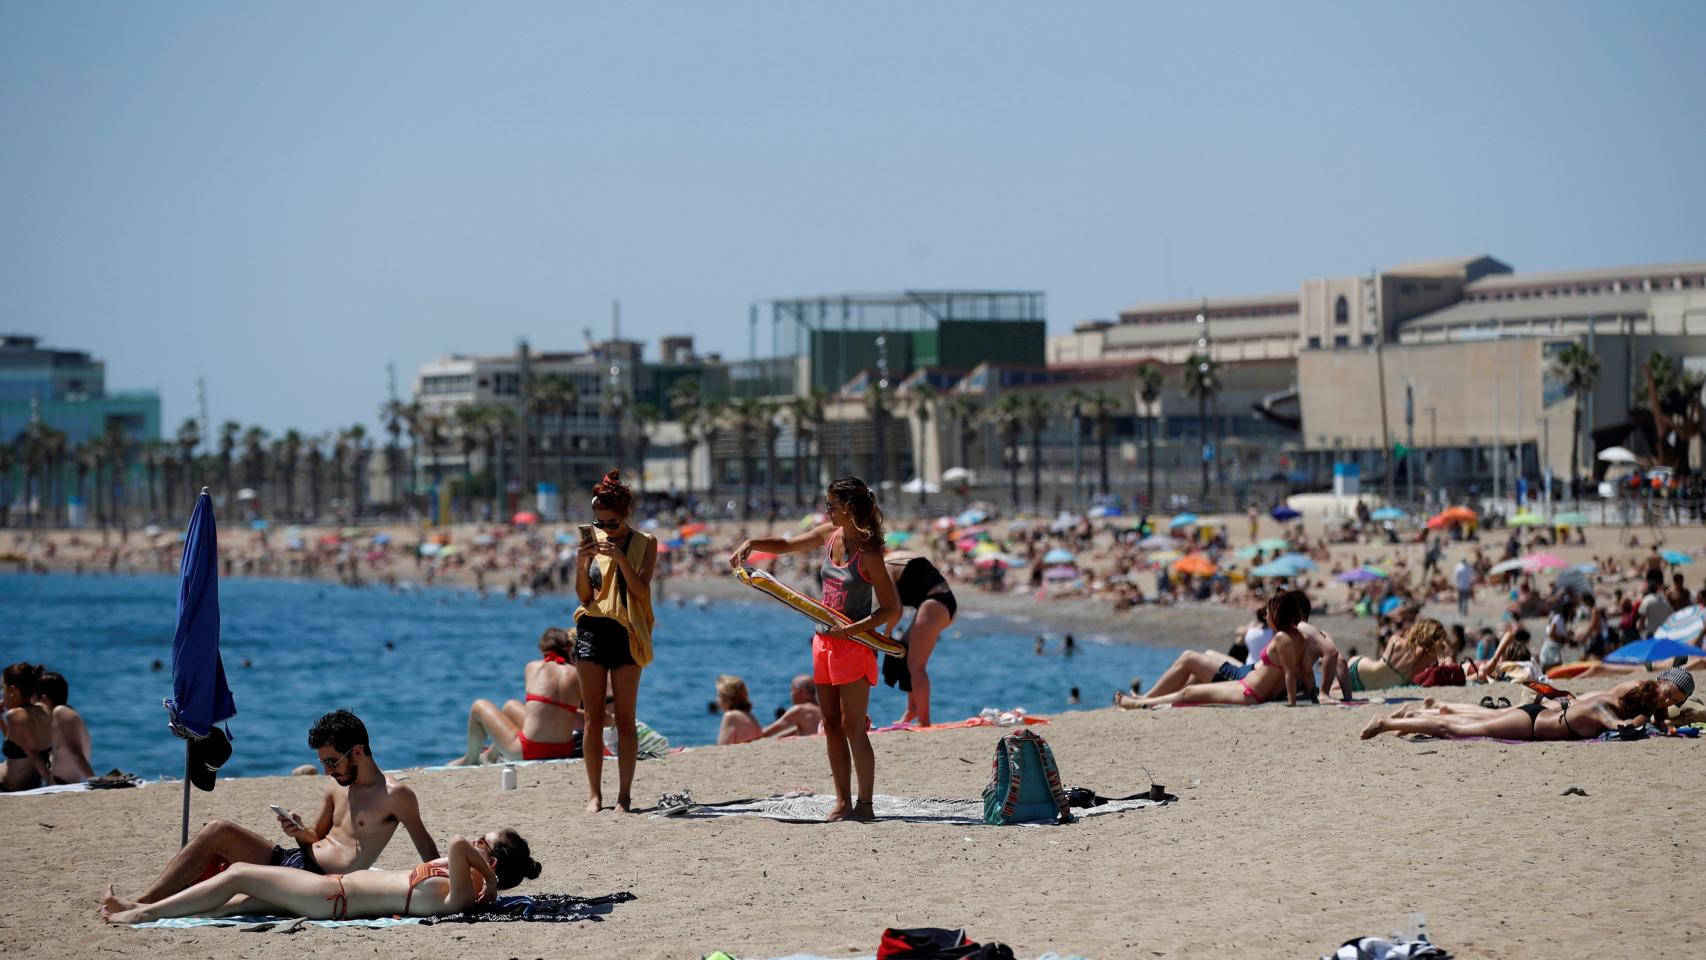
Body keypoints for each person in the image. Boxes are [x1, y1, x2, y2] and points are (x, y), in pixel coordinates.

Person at [117, 709, 439, 905]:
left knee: (231, 896)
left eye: (331, 761)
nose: (327, 770)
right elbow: (317, 837)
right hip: (294, 860)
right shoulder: (336, 785)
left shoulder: (396, 796)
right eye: (324, 763)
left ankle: (147, 905)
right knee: (217, 829)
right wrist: (299, 831)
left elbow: (425, 845)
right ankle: (147, 898)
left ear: (357, 752)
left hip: (318, 883)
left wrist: (443, 882)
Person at [730, 476, 901, 822]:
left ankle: (865, 804)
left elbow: (890, 608)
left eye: (831, 506)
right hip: (822, 644)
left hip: (853, 647)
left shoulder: (869, 556)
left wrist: (853, 629)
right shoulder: (829, 535)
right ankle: (842, 801)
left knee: (854, 726)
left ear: (849, 509)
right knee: (831, 724)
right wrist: (752, 542)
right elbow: (789, 544)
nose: (826, 511)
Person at [102, 829, 538, 925]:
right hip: (331, 895)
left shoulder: (465, 894)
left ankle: (141, 915)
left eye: (488, 839)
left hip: (332, 897)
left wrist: (494, 883)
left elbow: (460, 842)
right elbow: (461, 847)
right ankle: (145, 908)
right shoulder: (460, 878)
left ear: (491, 863)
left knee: (237, 873)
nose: (477, 838)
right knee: (238, 904)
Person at [572, 470, 657, 813]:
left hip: (628, 631)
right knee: (593, 717)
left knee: (624, 718)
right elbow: (583, 595)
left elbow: (641, 593)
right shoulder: (590, 539)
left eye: (612, 522)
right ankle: (594, 794)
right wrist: (582, 561)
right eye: (600, 521)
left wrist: (619, 557)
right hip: (592, 627)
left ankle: (624, 796)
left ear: (625, 515)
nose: (605, 528)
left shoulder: (645, 543)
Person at [1115, 591, 1308, 708]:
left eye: (1267, 613)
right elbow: (1300, 671)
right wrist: (1313, 694)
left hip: (1249, 691)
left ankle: (1141, 702)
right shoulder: (1297, 637)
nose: (1265, 617)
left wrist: (1291, 702)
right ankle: (1146, 700)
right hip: (1248, 684)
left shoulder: (1283, 638)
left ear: (1276, 615)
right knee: (1192, 686)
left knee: (1190, 690)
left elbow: (1290, 673)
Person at [1361, 679, 1668, 741]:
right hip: (1530, 727)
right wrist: (1652, 723)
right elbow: (1622, 729)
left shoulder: (1612, 698)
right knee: (1455, 729)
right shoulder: (1606, 711)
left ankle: (1413, 717)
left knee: (1466, 721)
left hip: (1534, 715)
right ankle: (1386, 723)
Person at [451, 627, 582, 765]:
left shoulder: (532, 667)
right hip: (564, 750)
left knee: (478, 706)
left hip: (529, 751)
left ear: (543, 649)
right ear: (568, 648)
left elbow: (536, 708)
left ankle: (471, 758)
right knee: (510, 706)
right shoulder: (578, 674)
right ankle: (490, 756)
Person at [881, 549, 958, 727]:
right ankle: (912, 710)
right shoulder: (897, 555)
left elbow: (895, 609)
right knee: (906, 653)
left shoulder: (885, 566)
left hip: (934, 605)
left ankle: (924, 721)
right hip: (943, 601)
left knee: (916, 666)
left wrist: (886, 633)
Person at [1347, 618, 1451, 693]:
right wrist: (1442, 653)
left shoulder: (1395, 640)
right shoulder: (1429, 659)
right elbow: (1446, 670)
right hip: (1369, 684)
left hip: (1357, 670)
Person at [2, 662, 54, 791]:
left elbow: (33, 753)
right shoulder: (42, 709)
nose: (2, 693)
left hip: (8, 784)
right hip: (32, 781)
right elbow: (19, 742)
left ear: (13, 690)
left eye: (3, 688)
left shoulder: (14, 715)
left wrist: (54, 787)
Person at [35, 670, 94, 784]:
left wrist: (93, 780)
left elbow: (76, 752)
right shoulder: (67, 711)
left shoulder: (60, 712)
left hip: (61, 782)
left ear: (43, 699)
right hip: (61, 781)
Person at [715, 675, 764, 745]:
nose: (717, 700)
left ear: (728, 699)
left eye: (719, 696)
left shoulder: (730, 716)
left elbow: (722, 746)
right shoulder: (750, 715)